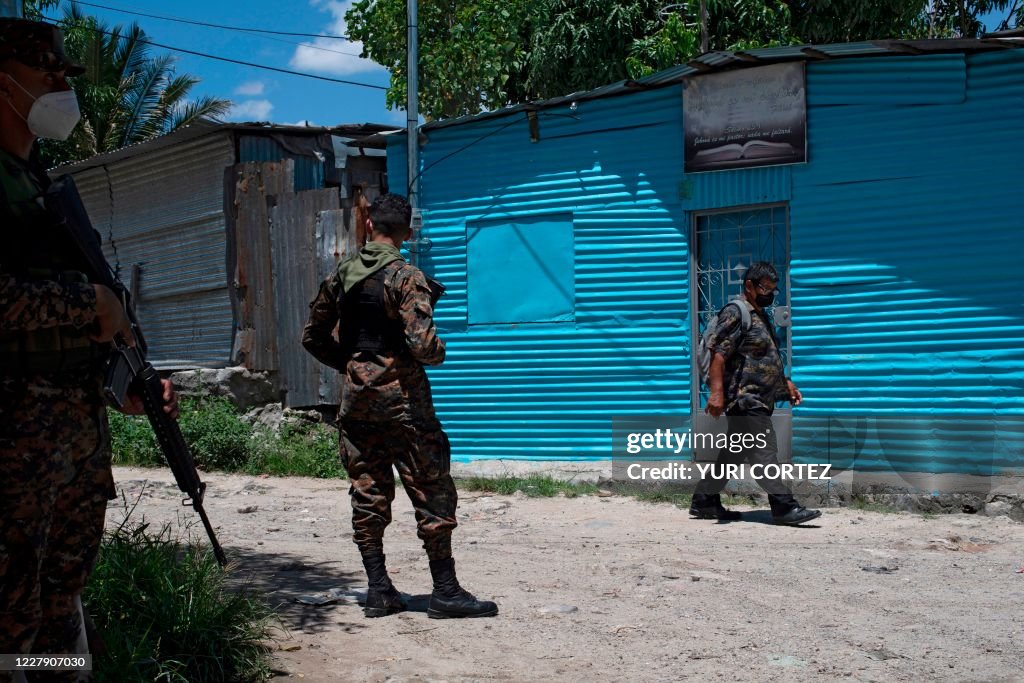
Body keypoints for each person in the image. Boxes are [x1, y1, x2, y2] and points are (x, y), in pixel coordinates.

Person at [0, 18, 178, 678]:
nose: (59, 87)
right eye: (44, 74)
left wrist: (122, 378)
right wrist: (88, 306)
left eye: (63, 75)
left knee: (57, 598)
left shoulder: (38, 179)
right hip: (14, 440)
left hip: (66, 439)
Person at [302, 193, 497, 619]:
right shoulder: (407, 276)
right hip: (404, 405)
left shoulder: (341, 275)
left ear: (369, 226)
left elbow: (312, 338)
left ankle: (378, 590)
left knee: (368, 491)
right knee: (431, 488)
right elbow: (424, 347)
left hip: (356, 404)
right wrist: (436, 351)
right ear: (407, 233)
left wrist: (355, 366)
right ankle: (445, 591)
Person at [690, 261, 822, 526]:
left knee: (733, 453)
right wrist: (716, 394)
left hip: (760, 398)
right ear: (749, 285)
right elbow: (718, 355)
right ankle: (784, 507)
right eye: (764, 288)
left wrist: (786, 384)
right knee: (764, 452)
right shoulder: (737, 312)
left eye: (773, 290)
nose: (769, 294)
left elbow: (762, 358)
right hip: (745, 398)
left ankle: (704, 500)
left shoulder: (759, 314)